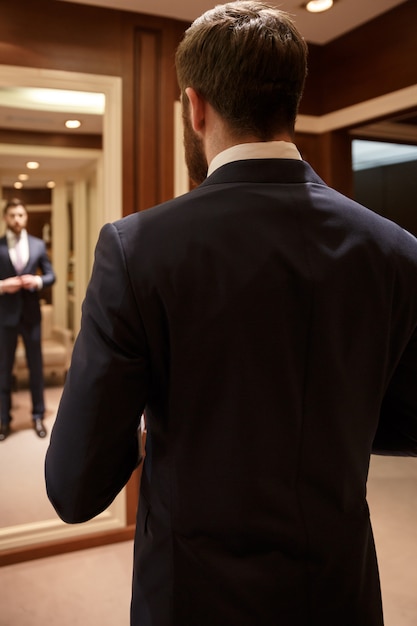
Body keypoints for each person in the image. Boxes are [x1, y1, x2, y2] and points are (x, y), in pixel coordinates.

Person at [45, 2, 417, 624]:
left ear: (194, 105)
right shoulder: (397, 249)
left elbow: (74, 488)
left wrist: (150, 431)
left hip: (192, 595)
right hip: (339, 593)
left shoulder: (136, 249)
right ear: (291, 103)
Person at [0, 198, 56, 441]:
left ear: (26, 217)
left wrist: (38, 281)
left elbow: (51, 275)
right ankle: (3, 421)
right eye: (12, 215)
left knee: (36, 368)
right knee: (3, 370)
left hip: (32, 316)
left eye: (21, 215)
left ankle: (37, 416)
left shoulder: (38, 245)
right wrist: (3, 286)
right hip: (5, 317)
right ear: (5, 218)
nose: (17, 219)